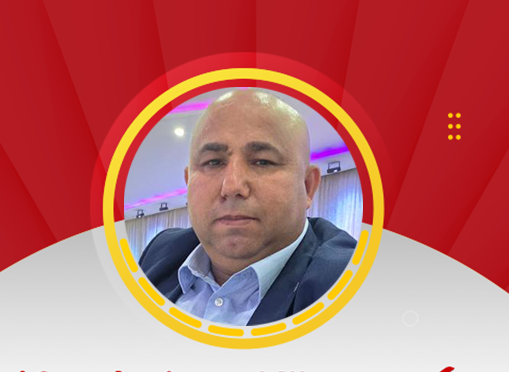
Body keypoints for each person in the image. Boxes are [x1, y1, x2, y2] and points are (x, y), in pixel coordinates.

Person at [138, 90, 357, 326]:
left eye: (262, 161)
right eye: (213, 162)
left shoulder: (349, 283)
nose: (232, 186)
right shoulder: (160, 251)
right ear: (188, 183)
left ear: (307, 186)